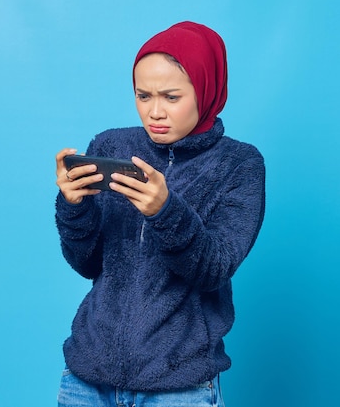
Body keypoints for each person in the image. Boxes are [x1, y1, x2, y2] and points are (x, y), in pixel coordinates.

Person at [54, 21, 265, 407]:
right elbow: (86, 262)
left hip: (179, 385)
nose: (154, 112)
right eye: (142, 95)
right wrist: (74, 205)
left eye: (171, 97)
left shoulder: (240, 164)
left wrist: (164, 211)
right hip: (87, 379)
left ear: (206, 90)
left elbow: (213, 269)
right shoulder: (111, 145)